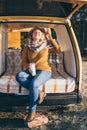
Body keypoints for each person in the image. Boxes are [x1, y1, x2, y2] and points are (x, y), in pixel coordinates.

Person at [15, 27, 61, 122]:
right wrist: (29, 68)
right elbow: (24, 61)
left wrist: (51, 39)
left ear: (42, 36)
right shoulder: (27, 47)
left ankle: (32, 111)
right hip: (32, 70)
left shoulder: (46, 46)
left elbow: (58, 50)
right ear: (32, 35)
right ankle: (40, 92)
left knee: (34, 83)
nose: (37, 33)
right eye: (35, 32)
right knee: (19, 76)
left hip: (45, 70)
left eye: (39, 33)